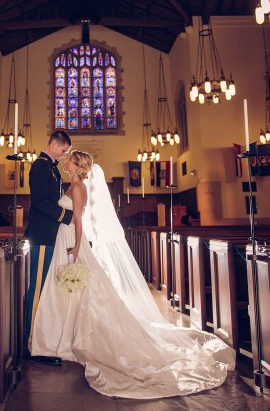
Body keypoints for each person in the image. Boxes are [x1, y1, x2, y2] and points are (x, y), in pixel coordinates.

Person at [30, 150, 235, 399]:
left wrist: (75, 246)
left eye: (70, 158)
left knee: (84, 293)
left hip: (72, 241)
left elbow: (79, 221)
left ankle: (71, 340)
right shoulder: (72, 184)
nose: (66, 160)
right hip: (64, 238)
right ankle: (61, 339)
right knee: (71, 293)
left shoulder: (80, 187)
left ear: (77, 164)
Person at [23, 130, 73, 365]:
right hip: (42, 236)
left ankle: (40, 341)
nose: (65, 155)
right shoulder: (41, 166)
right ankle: (31, 345)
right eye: (63, 150)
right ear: (54, 144)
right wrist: (67, 216)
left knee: (44, 290)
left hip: (49, 236)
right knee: (37, 292)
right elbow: (40, 202)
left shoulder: (50, 167)